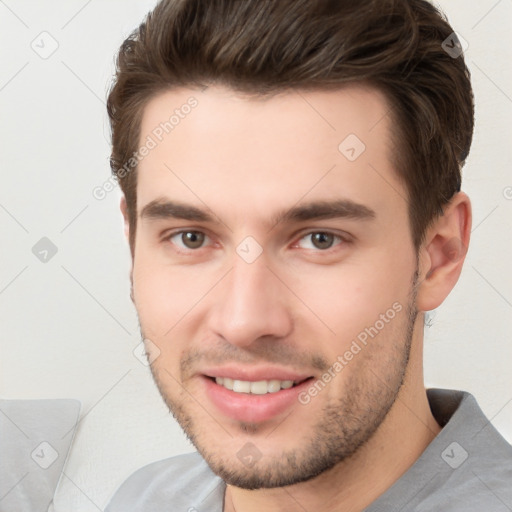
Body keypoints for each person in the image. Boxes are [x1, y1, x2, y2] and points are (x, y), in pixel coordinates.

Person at [105, 0, 512, 510]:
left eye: (320, 239)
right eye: (190, 237)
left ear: (438, 255)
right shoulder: (145, 497)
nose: (244, 321)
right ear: (133, 246)